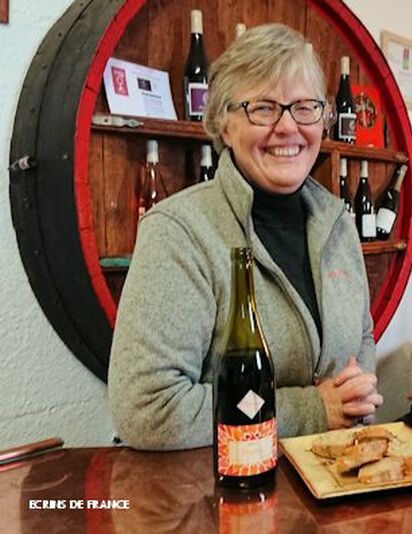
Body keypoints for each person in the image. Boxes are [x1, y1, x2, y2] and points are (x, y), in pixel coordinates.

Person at [108, 24, 382, 450]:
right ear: (223, 124)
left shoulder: (338, 223)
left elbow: (360, 340)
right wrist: (311, 410)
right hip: (222, 486)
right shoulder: (180, 231)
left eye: (305, 107)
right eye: (264, 108)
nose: (288, 127)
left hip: (329, 478)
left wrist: (356, 394)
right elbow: (149, 409)